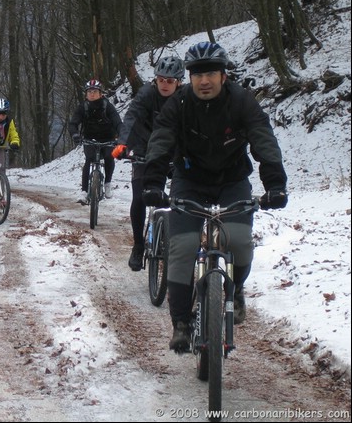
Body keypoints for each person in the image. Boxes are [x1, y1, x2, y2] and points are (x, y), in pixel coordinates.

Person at [141, 42, 288, 352]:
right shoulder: (178, 104)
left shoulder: (242, 102)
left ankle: (236, 290)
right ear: (189, 78)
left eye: (210, 74)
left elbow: (263, 138)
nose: (203, 81)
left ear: (223, 75)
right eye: (197, 75)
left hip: (232, 180)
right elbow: (162, 139)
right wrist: (153, 181)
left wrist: (274, 183)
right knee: (182, 247)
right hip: (189, 180)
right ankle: (181, 322)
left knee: (238, 240)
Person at [112, 56, 185, 271]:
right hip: (145, 149)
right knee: (139, 197)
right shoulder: (146, 94)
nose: (164, 84)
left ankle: (180, 242)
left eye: (170, 81)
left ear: (179, 82)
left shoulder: (185, 98)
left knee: (184, 197)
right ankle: (138, 245)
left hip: (174, 151)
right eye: (161, 79)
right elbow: (131, 117)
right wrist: (123, 144)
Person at [68, 79, 123, 201]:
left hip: (108, 138)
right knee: (88, 160)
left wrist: (121, 136)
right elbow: (73, 123)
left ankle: (107, 183)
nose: (92, 94)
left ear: (100, 93)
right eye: (89, 91)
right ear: (86, 94)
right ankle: (84, 191)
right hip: (89, 138)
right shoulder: (83, 107)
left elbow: (118, 122)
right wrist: (75, 134)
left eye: (95, 91)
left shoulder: (107, 106)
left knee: (109, 156)